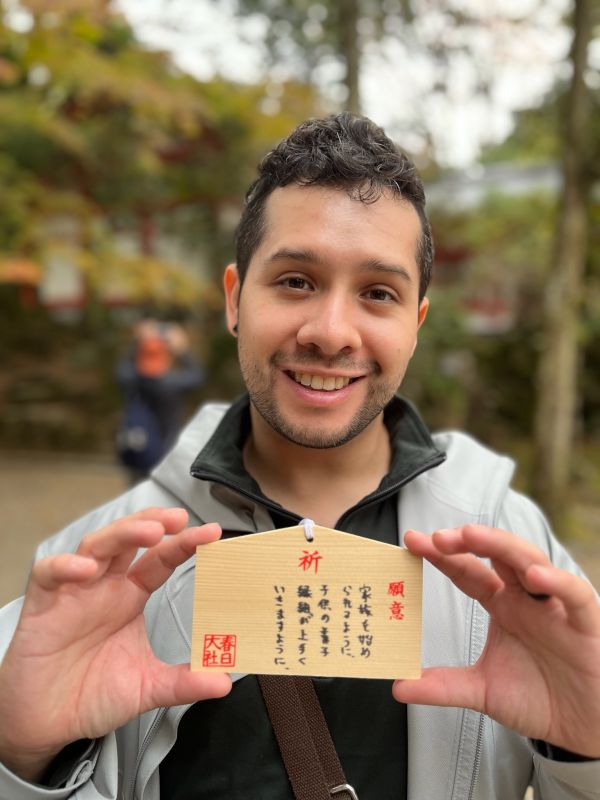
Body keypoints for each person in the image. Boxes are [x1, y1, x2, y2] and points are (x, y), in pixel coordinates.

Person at [0, 112, 598, 800]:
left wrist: (584, 753)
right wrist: (21, 757)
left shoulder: (512, 556)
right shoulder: (97, 570)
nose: (330, 331)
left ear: (417, 324)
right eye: (295, 281)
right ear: (234, 299)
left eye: (378, 294)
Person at [115, 319, 204, 483]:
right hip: (166, 454)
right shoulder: (172, 384)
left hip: (138, 451)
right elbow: (197, 376)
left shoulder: (130, 380)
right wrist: (183, 350)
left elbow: (122, 370)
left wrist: (139, 342)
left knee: (137, 493)